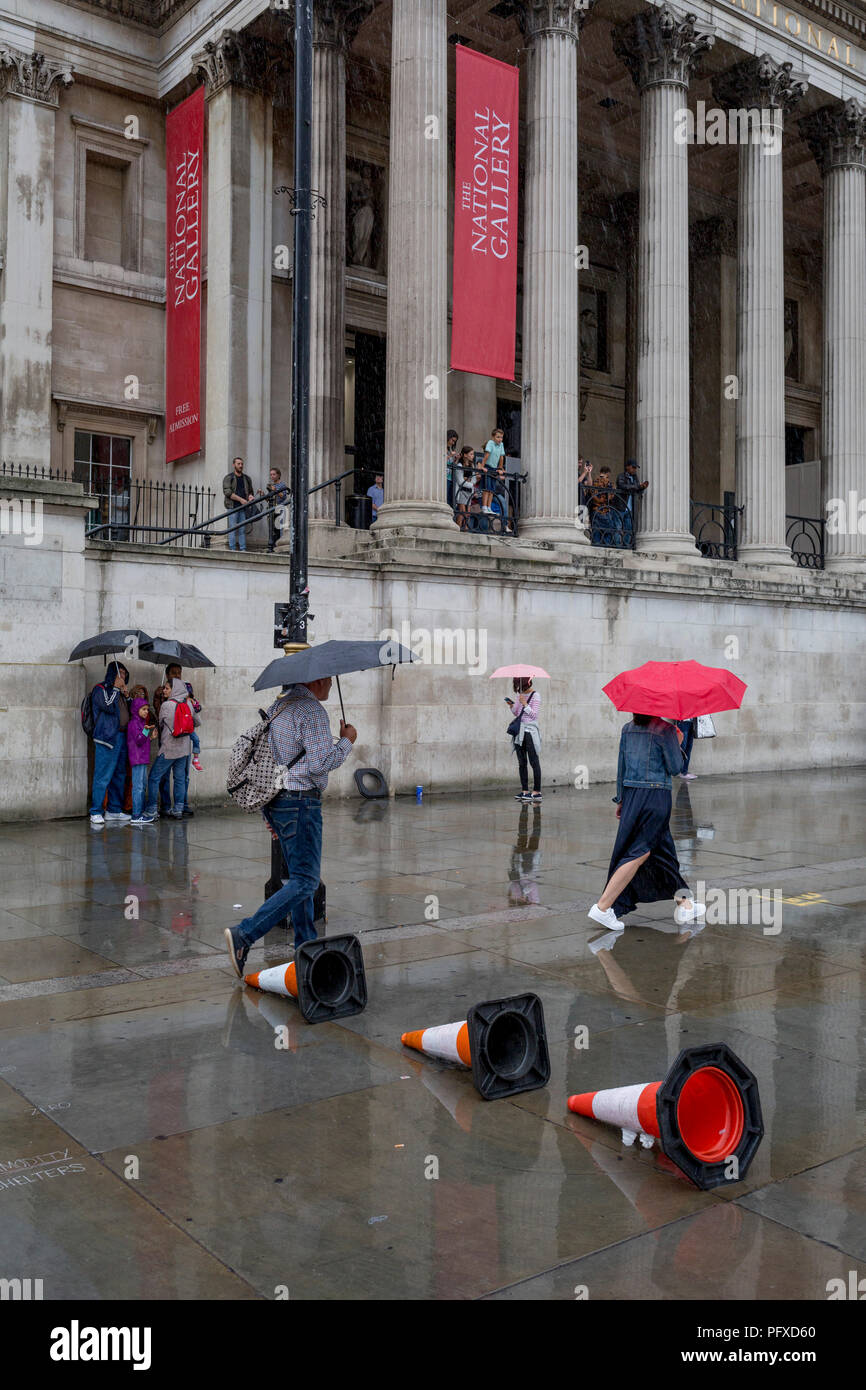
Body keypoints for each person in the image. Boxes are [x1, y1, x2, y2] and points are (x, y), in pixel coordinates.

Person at [223, 677, 357, 978]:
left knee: (299, 880)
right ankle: (244, 935)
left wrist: (271, 815)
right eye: (328, 682)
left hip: (277, 801)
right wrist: (347, 740)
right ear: (318, 679)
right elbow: (319, 764)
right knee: (306, 882)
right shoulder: (311, 711)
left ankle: (306, 948)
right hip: (301, 803)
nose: (330, 688)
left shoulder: (279, 705)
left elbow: (268, 761)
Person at [588, 714, 706, 932]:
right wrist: (678, 743)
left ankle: (685, 904)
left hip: (633, 795)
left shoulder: (627, 729)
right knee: (640, 851)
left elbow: (621, 766)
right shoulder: (666, 730)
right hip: (655, 797)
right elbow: (675, 768)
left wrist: (621, 799)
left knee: (664, 852)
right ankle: (603, 907)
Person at [143, 676, 200, 820]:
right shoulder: (188, 704)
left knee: (154, 777)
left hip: (168, 748)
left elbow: (161, 724)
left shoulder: (166, 705)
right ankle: (178, 810)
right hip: (184, 749)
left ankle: (151, 810)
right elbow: (197, 723)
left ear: (174, 690)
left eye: (167, 688)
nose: (164, 691)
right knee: (180, 779)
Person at [88, 660, 131, 827]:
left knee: (119, 775)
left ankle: (114, 810)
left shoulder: (119, 692)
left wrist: (127, 697)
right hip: (106, 738)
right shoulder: (100, 689)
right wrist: (114, 688)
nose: (123, 676)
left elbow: (128, 712)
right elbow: (107, 705)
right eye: (120, 673)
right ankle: (96, 811)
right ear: (112, 674)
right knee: (102, 776)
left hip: (121, 737)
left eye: (125, 674)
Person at [506, 676, 541, 803]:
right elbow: (517, 713)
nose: (519, 688)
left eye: (520, 686)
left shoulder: (535, 695)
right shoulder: (519, 695)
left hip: (529, 732)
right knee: (522, 763)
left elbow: (534, 715)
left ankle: (537, 791)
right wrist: (512, 706)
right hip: (519, 732)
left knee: (533, 761)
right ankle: (525, 790)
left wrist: (525, 703)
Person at [126, 688, 156, 825]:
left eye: (147, 709)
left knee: (142, 785)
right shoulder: (133, 723)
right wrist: (146, 731)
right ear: (136, 709)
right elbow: (138, 740)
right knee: (138, 787)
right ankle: (136, 814)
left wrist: (150, 737)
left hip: (142, 759)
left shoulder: (141, 723)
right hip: (137, 760)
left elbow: (142, 740)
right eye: (143, 709)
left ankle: (141, 811)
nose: (146, 712)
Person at [223, 456, 255, 552]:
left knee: (242, 530)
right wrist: (241, 499)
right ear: (234, 465)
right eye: (238, 464)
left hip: (243, 507)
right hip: (232, 507)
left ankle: (243, 549)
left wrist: (250, 496)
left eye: (242, 464)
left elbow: (250, 491)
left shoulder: (247, 478)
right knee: (232, 529)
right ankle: (232, 549)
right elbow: (227, 492)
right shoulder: (229, 477)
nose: (241, 466)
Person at [480, 426, 506, 514]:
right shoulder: (490, 443)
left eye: (501, 437)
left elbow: (501, 458)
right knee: (486, 488)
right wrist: (482, 467)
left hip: (494, 468)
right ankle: (484, 507)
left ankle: (489, 507)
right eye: (498, 437)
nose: (500, 439)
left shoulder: (501, 445)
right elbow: (486, 455)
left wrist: (500, 468)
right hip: (487, 466)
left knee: (492, 489)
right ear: (493, 437)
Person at [453, 445, 479, 529]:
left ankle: (465, 529)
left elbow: (474, 479)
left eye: (473, 454)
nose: (473, 456)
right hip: (461, 491)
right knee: (462, 512)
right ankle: (458, 528)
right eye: (471, 454)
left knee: (468, 513)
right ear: (465, 455)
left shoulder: (472, 466)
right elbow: (460, 481)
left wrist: (468, 481)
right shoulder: (460, 466)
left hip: (469, 492)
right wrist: (469, 482)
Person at [266, 467, 289, 551]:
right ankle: (272, 546)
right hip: (272, 508)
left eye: (274, 474)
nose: (272, 476)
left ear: (278, 475)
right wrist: (262, 494)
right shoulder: (272, 485)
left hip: (280, 508)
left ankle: (279, 546)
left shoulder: (282, 485)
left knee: (279, 528)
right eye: (271, 474)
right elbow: (268, 499)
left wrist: (275, 490)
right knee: (273, 528)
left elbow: (283, 496)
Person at [445, 429, 459, 507]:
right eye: (452, 440)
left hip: (450, 477)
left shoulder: (450, 449)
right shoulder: (441, 447)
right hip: (444, 476)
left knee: (450, 499)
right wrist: (450, 455)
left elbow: (451, 463)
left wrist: (456, 458)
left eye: (454, 441)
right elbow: (439, 461)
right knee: (445, 497)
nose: (453, 443)